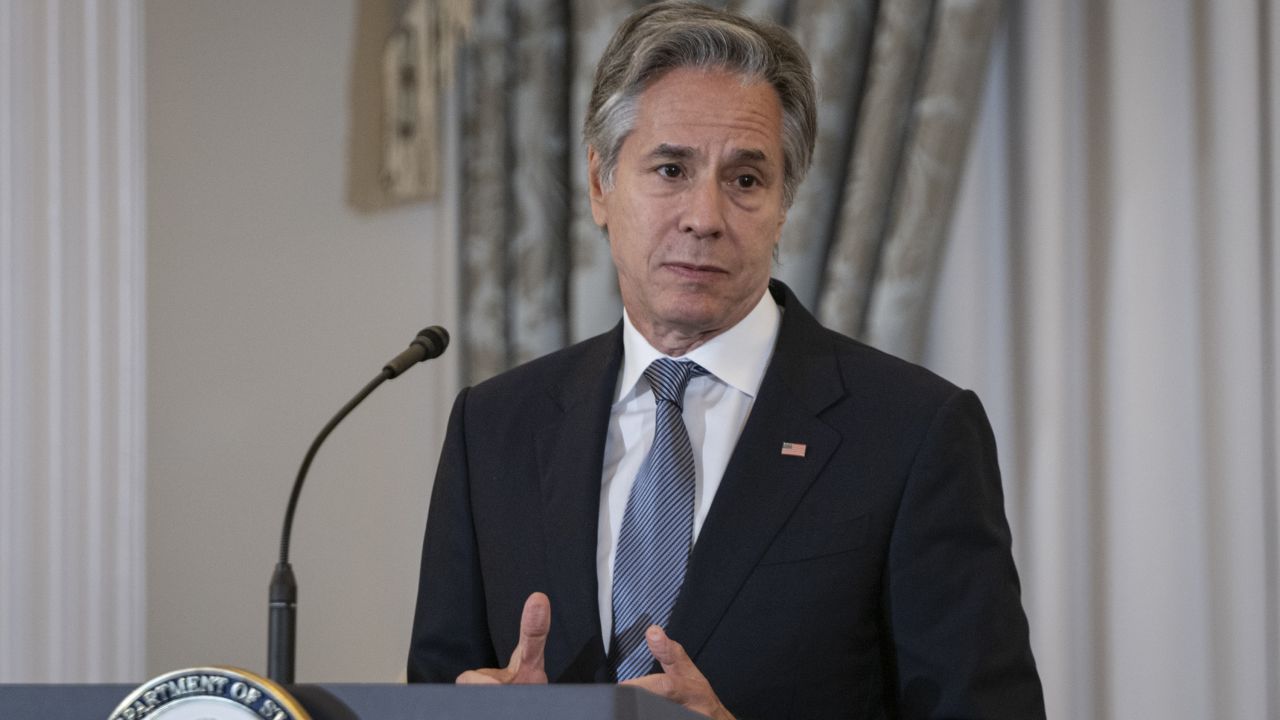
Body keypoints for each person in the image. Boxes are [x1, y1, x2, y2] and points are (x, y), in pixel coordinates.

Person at [407, 2, 1045, 718]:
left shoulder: (913, 432)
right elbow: (435, 688)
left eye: (745, 180)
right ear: (600, 185)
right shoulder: (494, 426)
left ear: (784, 203)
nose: (705, 216)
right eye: (672, 168)